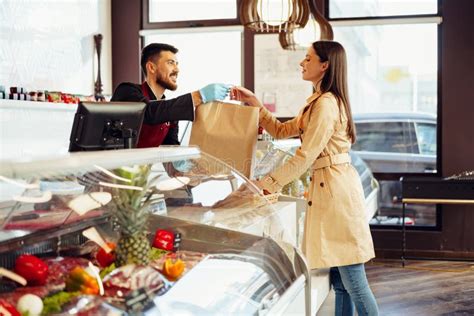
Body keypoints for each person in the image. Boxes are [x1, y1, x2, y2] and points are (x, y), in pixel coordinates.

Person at [230, 41, 379, 316]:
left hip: (336, 193)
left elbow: (305, 156)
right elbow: (281, 130)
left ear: (325, 65)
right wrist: (255, 104)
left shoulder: (326, 105)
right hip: (332, 189)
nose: (302, 63)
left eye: (308, 58)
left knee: (354, 281)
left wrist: (269, 183)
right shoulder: (319, 101)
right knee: (341, 283)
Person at [111, 43, 230, 148]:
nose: (177, 69)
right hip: (108, 169)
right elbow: (148, 112)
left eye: (177, 64)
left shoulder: (171, 112)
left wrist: (179, 164)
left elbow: (170, 147)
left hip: (141, 172)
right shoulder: (126, 91)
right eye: (171, 63)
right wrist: (199, 96)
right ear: (151, 67)